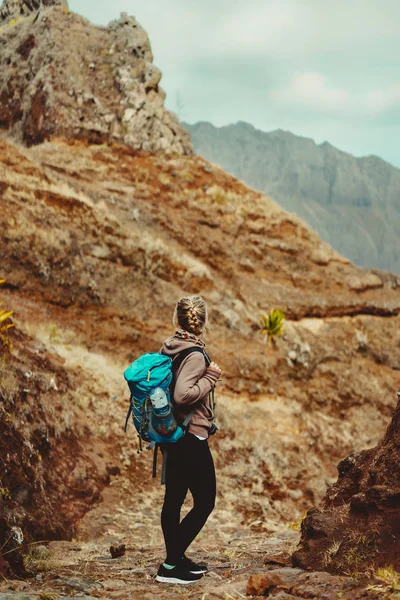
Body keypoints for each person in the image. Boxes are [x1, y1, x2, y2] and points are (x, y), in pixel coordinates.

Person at [156, 295, 222, 584]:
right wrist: (210, 378)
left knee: (174, 501)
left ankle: (177, 560)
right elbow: (182, 395)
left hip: (172, 433)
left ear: (177, 319)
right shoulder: (195, 355)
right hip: (190, 436)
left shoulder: (170, 347)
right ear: (204, 322)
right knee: (205, 500)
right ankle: (171, 565)